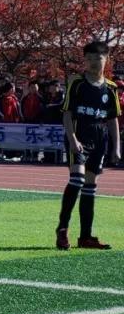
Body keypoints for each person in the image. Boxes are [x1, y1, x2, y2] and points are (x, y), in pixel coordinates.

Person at [56, 40, 121, 250]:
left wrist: (116, 147)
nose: (93, 62)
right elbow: (67, 113)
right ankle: (62, 229)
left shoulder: (111, 88)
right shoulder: (76, 82)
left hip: (99, 138)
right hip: (79, 136)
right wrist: (72, 138)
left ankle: (85, 237)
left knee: (90, 186)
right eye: (89, 58)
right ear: (84, 60)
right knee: (77, 179)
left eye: (98, 58)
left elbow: (112, 120)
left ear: (106, 59)